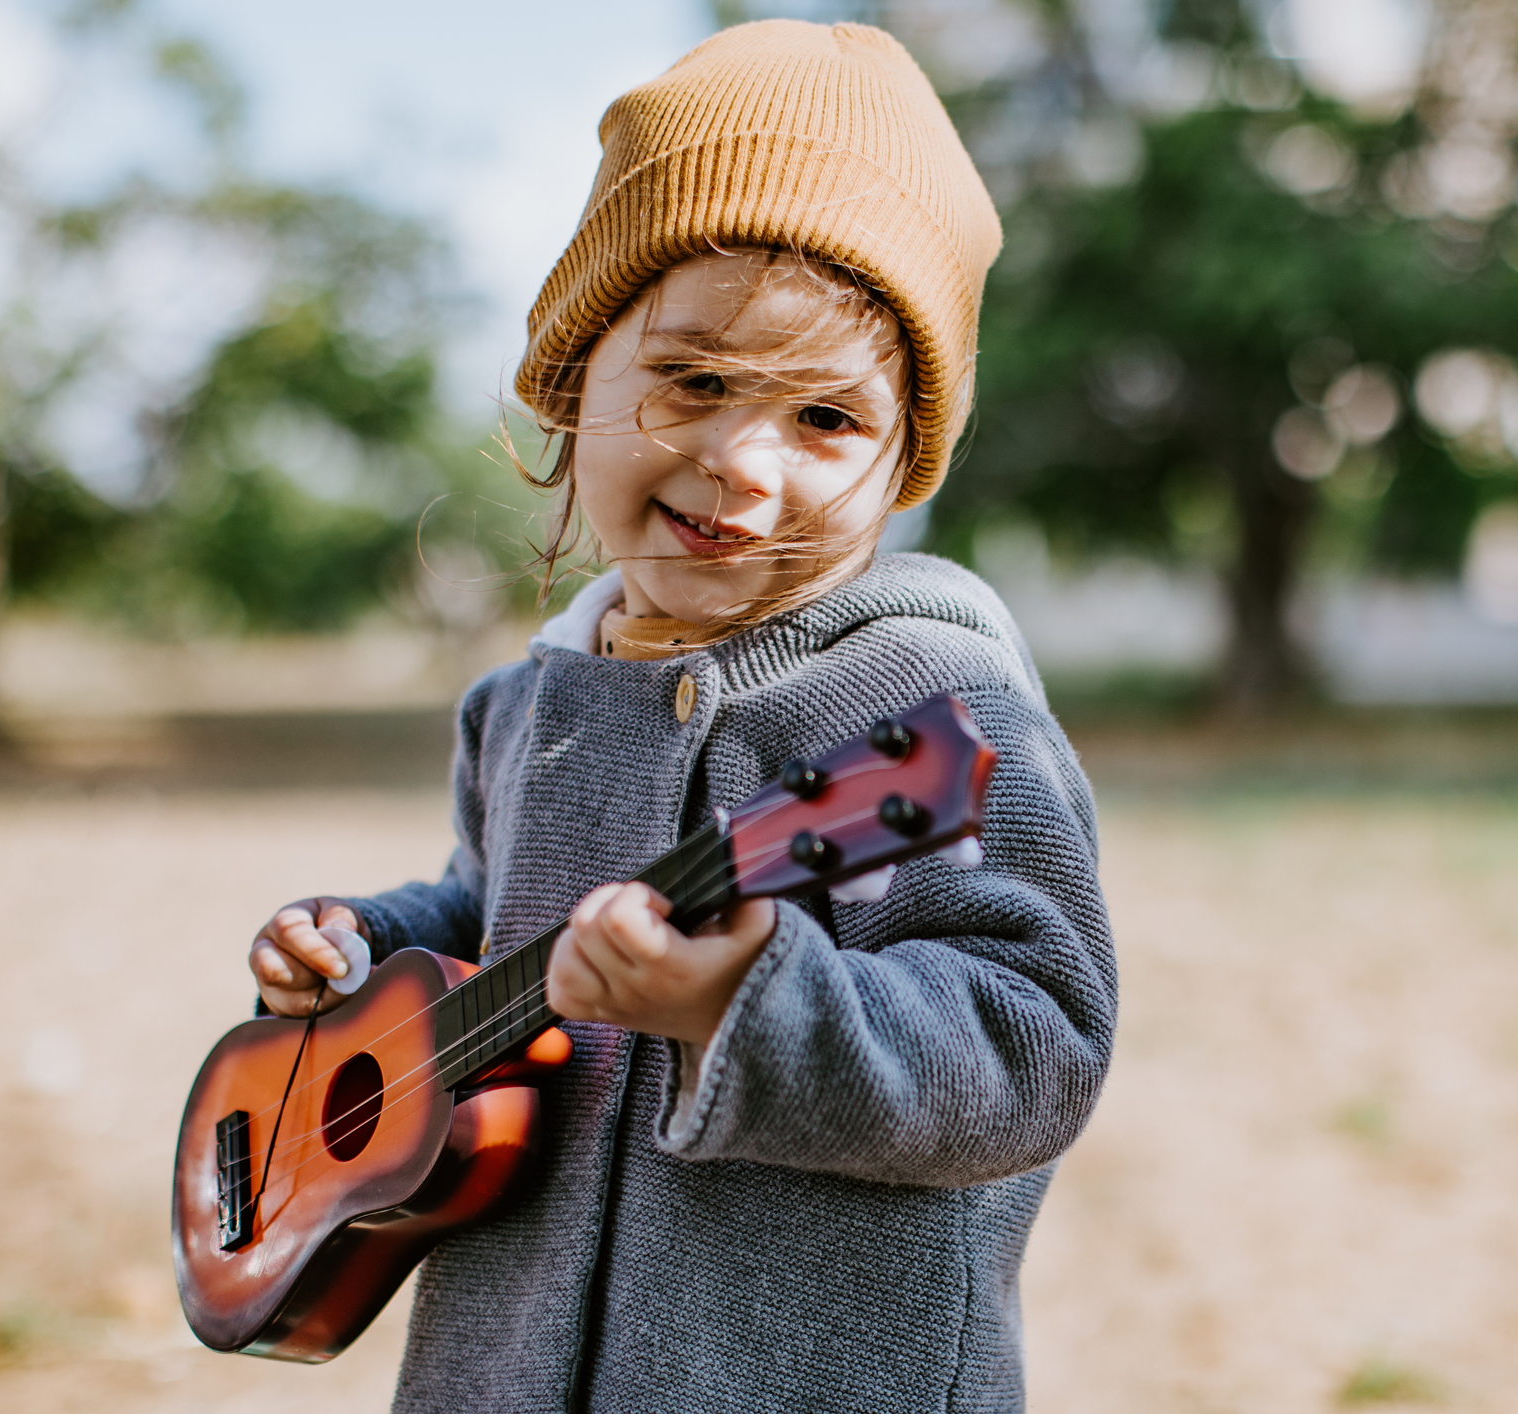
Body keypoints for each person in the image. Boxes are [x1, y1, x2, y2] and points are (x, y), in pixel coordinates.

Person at [244, 20, 1115, 1412]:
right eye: (695, 380)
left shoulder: (930, 711)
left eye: (824, 417)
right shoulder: (528, 703)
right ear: (571, 374)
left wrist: (746, 1005)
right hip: (505, 1363)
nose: (740, 461)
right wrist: (356, 951)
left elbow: (1033, 1039)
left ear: (901, 465)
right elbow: (487, 923)